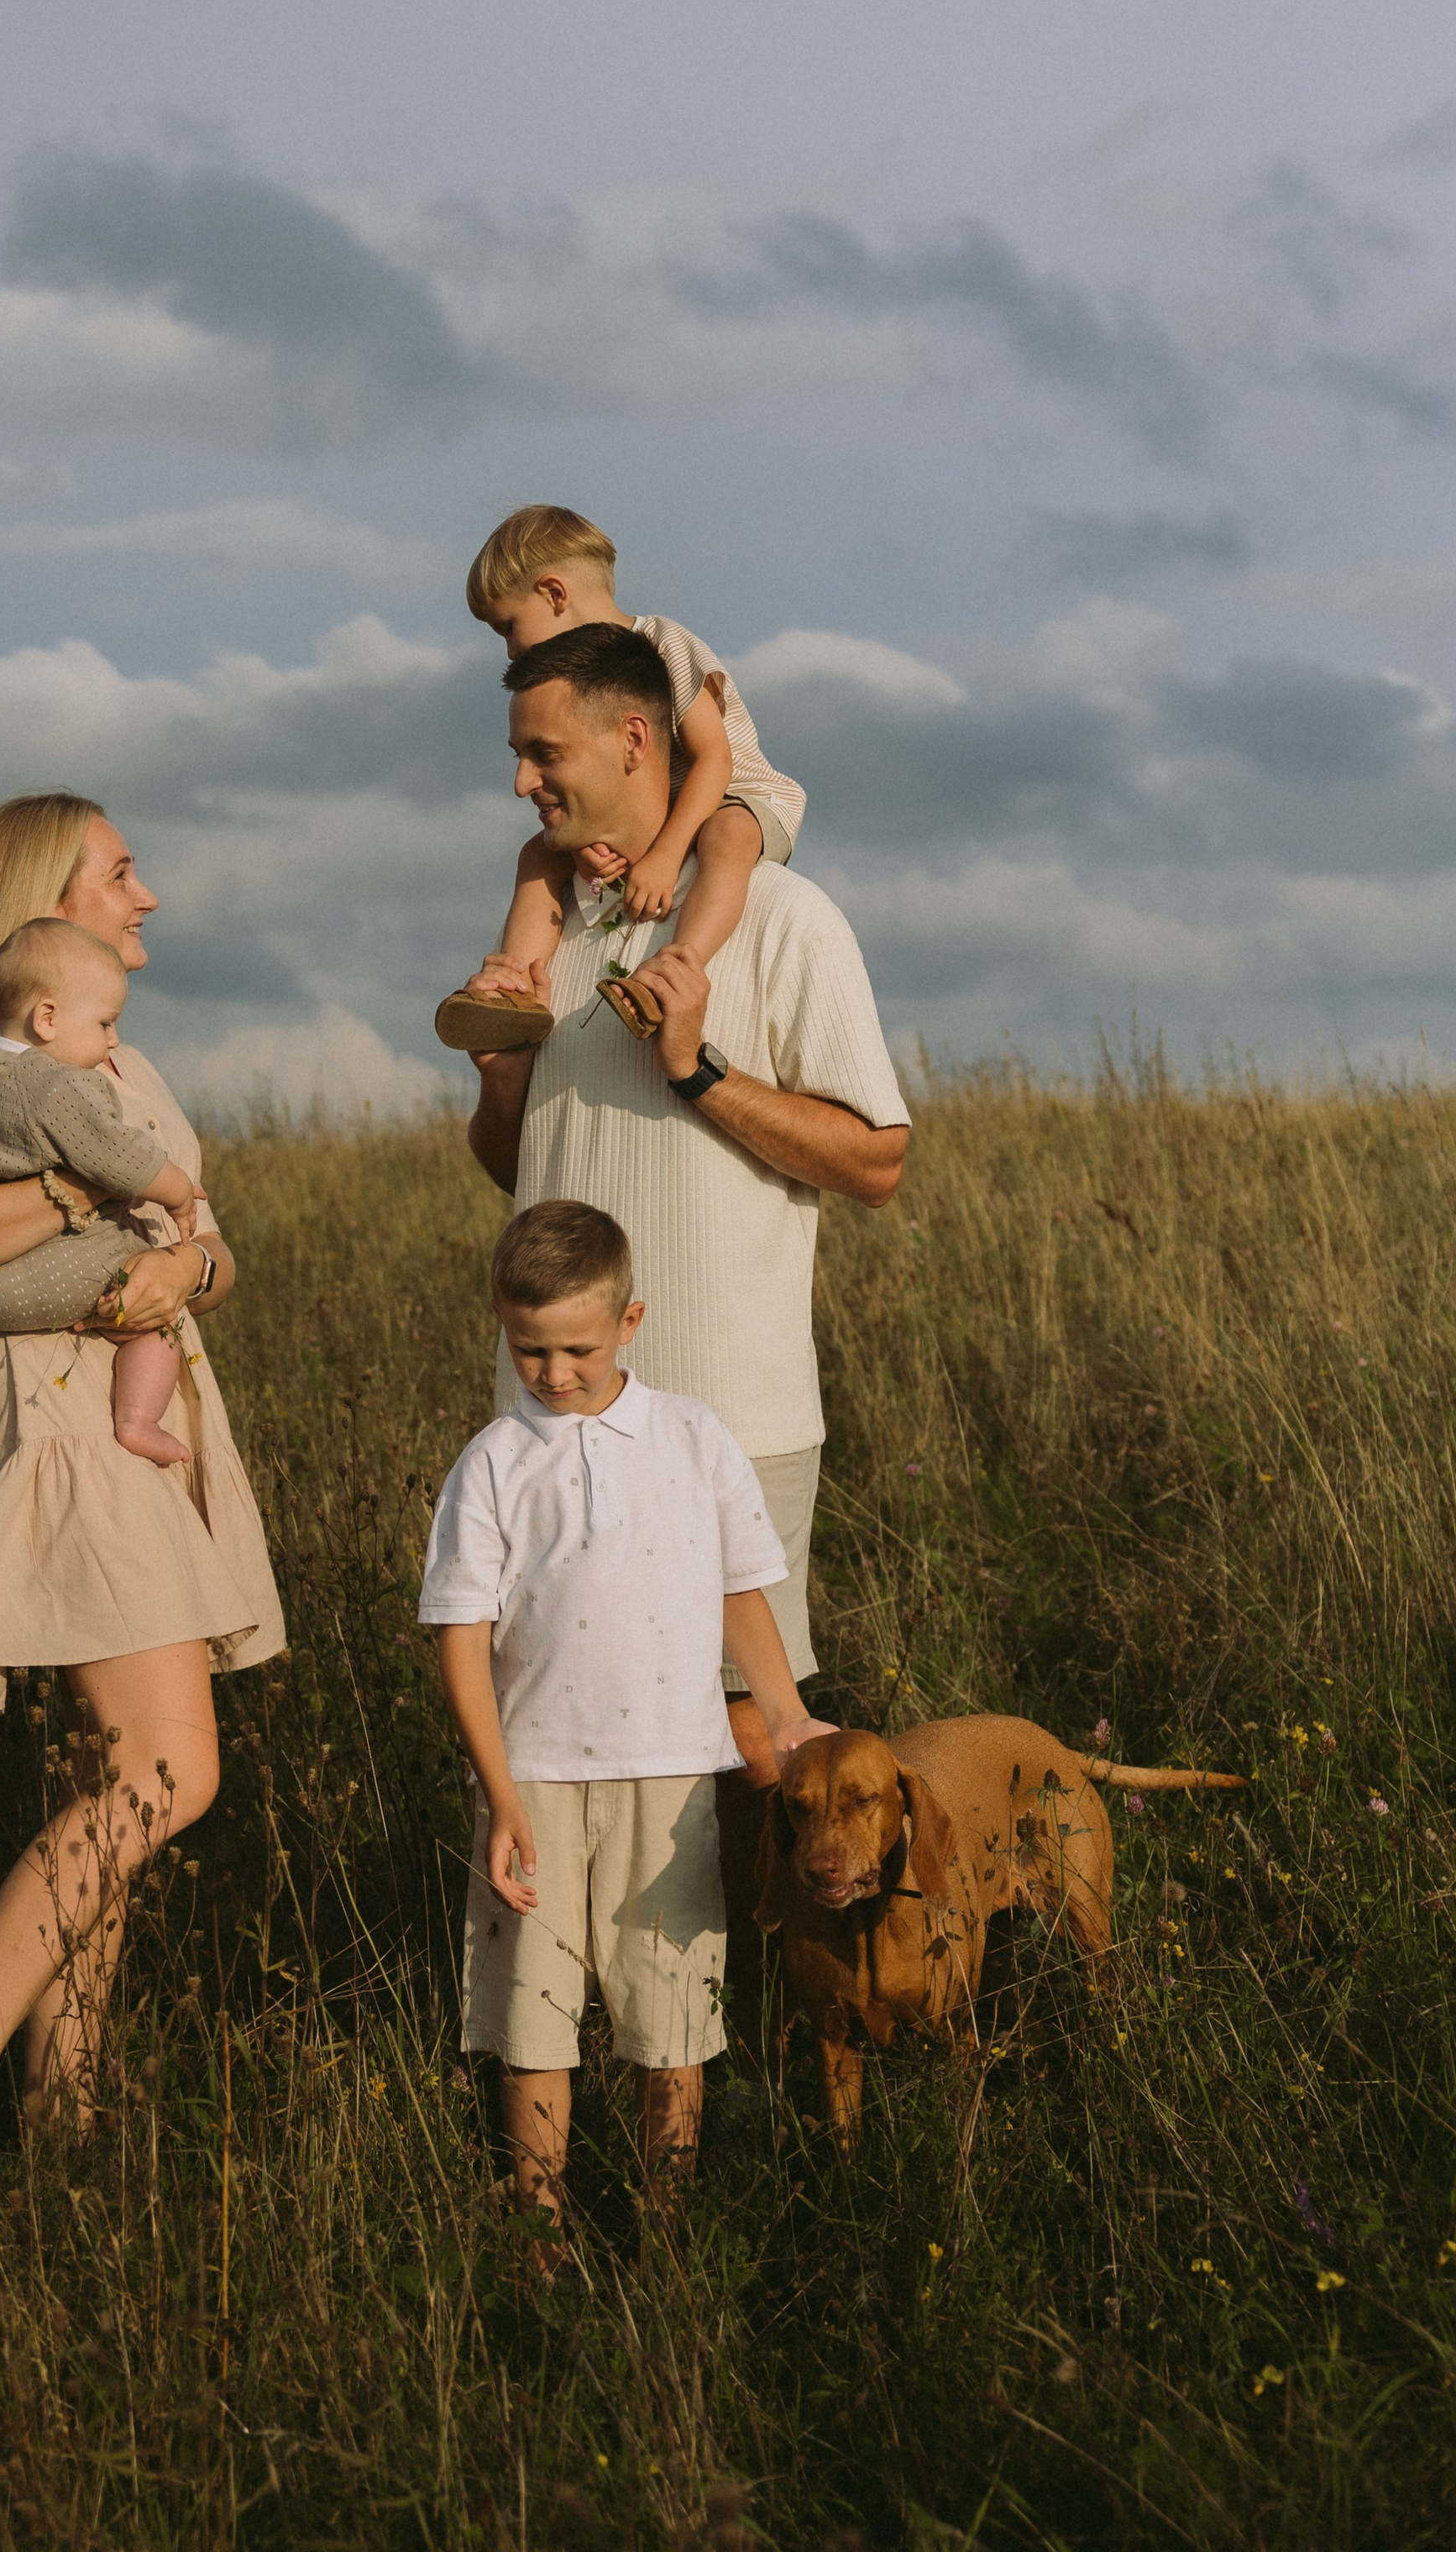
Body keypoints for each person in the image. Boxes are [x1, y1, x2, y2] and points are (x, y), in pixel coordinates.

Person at [456, 623, 910, 2063]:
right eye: (521, 755)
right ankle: (573, 2075)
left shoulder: (780, 918)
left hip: (728, 1420)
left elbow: (877, 1158)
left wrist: (699, 1067)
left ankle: (762, 2072)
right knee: (563, 1748)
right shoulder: (566, 932)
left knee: (734, 1768)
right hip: (556, 1431)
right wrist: (500, 1064)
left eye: (547, 751)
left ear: (638, 740)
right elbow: (529, 1167)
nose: (525, 779)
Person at [0, 790, 286, 2225]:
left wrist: (185, 1274)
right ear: (49, 898)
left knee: (115, 1783)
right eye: (121, 871)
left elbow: (206, 1243)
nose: (146, 895)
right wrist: (69, 1165)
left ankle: (70, 2123)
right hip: (62, 1433)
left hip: (128, 1418)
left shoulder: (125, 1058)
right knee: (171, 1776)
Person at [421, 1201, 816, 2242]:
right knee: (535, 2020)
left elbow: (742, 1590)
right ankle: (539, 2229)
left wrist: (787, 1717)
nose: (552, 1374)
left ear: (630, 1321)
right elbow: (461, 1638)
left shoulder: (693, 1436)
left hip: (675, 1777)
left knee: (670, 2013)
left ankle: (667, 2232)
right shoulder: (492, 1462)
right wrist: (500, 1795)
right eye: (527, 1350)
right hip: (535, 1781)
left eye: (577, 1349)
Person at [435, 504, 806, 1054]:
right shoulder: (582, 683)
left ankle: (676, 970)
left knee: (725, 837)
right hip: (664, 812)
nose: (510, 650)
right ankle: (513, 990)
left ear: (556, 595)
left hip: (739, 798)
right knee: (538, 856)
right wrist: (587, 848)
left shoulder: (664, 642)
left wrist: (663, 856)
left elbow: (714, 761)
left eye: (509, 627)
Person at [0, 917, 207, 1474]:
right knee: (161, 1320)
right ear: (48, 1018)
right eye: (106, 1022)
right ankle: (137, 1420)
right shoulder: (62, 1087)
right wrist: (179, 1191)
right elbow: (121, 1161)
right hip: (78, 1275)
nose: (113, 1038)